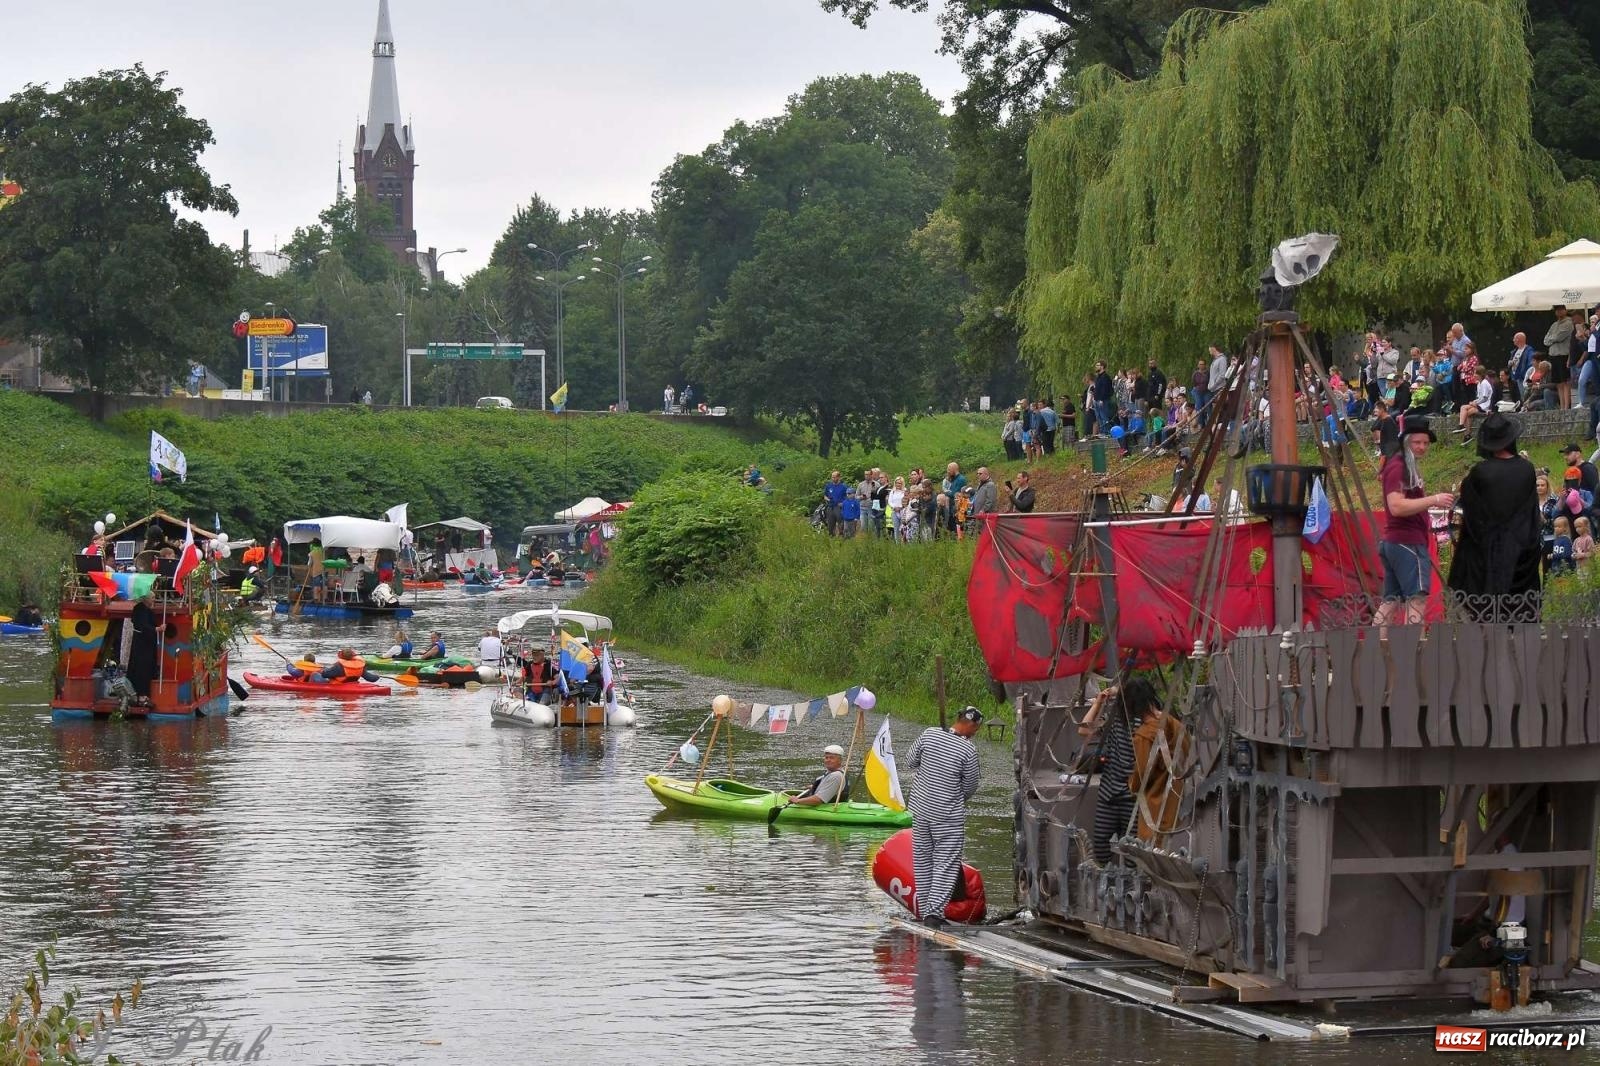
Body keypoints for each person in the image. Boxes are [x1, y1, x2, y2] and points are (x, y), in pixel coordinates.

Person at [1447, 413, 1541, 621]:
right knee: (1522, 611)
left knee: (1489, 610)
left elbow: (1470, 507)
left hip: (1490, 550)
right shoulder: (1527, 469)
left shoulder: (1481, 473)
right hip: (1522, 547)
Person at [905, 706, 982, 927]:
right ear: (971, 724)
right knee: (945, 864)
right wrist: (954, 798)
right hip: (947, 815)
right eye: (976, 728)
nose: (975, 733)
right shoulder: (968, 750)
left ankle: (924, 911)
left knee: (923, 862)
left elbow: (910, 761)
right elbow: (970, 786)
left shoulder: (930, 734)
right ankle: (934, 914)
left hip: (920, 809)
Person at [1377, 416, 1453, 626]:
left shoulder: (1405, 466)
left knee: (1390, 602)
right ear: (1406, 441)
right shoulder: (1399, 467)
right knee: (1417, 600)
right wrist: (1434, 499)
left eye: (1425, 443)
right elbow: (1397, 506)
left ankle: (1376, 649)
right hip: (1406, 542)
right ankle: (1413, 651)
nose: (1421, 447)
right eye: (1417, 442)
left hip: (1398, 541)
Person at [781, 744, 847, 808]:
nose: (828, 760)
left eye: (832, 758)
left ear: (840, 760)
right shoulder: (833, 772)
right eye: (826, 757)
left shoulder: (836, 776)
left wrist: (797, 801)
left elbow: (818, 800)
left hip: (825, 807)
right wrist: (815, 787)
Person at [289, 648, 381, 684]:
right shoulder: (360, 666)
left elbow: (325, 674)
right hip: (352, 684)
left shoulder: (339, 666)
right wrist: (378, 676)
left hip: (339, 685)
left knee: (314, 674)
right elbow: (371, 678)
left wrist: (321, 670)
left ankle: (308, 685)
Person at [1545, 305, 1575, 410]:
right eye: (1557, 310)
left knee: (1565, 381)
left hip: (1563, 354)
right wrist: (1553, 339)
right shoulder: (1554, 324)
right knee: (1558, 382)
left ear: (1565, 310)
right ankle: (1562, 406)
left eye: (1561, 309)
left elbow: (1559, 337)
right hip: (1553, 355)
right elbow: (1545, 340)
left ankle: (1567, 406)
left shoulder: (1568, 323)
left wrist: (1552, 338)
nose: (1558, 312)